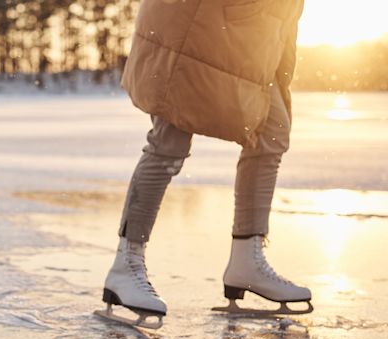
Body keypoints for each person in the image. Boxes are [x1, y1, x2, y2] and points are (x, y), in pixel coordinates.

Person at [102, 0, 311, 318]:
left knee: (270, 135)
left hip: (258, 29)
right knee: (169, 141)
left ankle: (246, 260)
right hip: (194, 22)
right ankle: (126, 264)